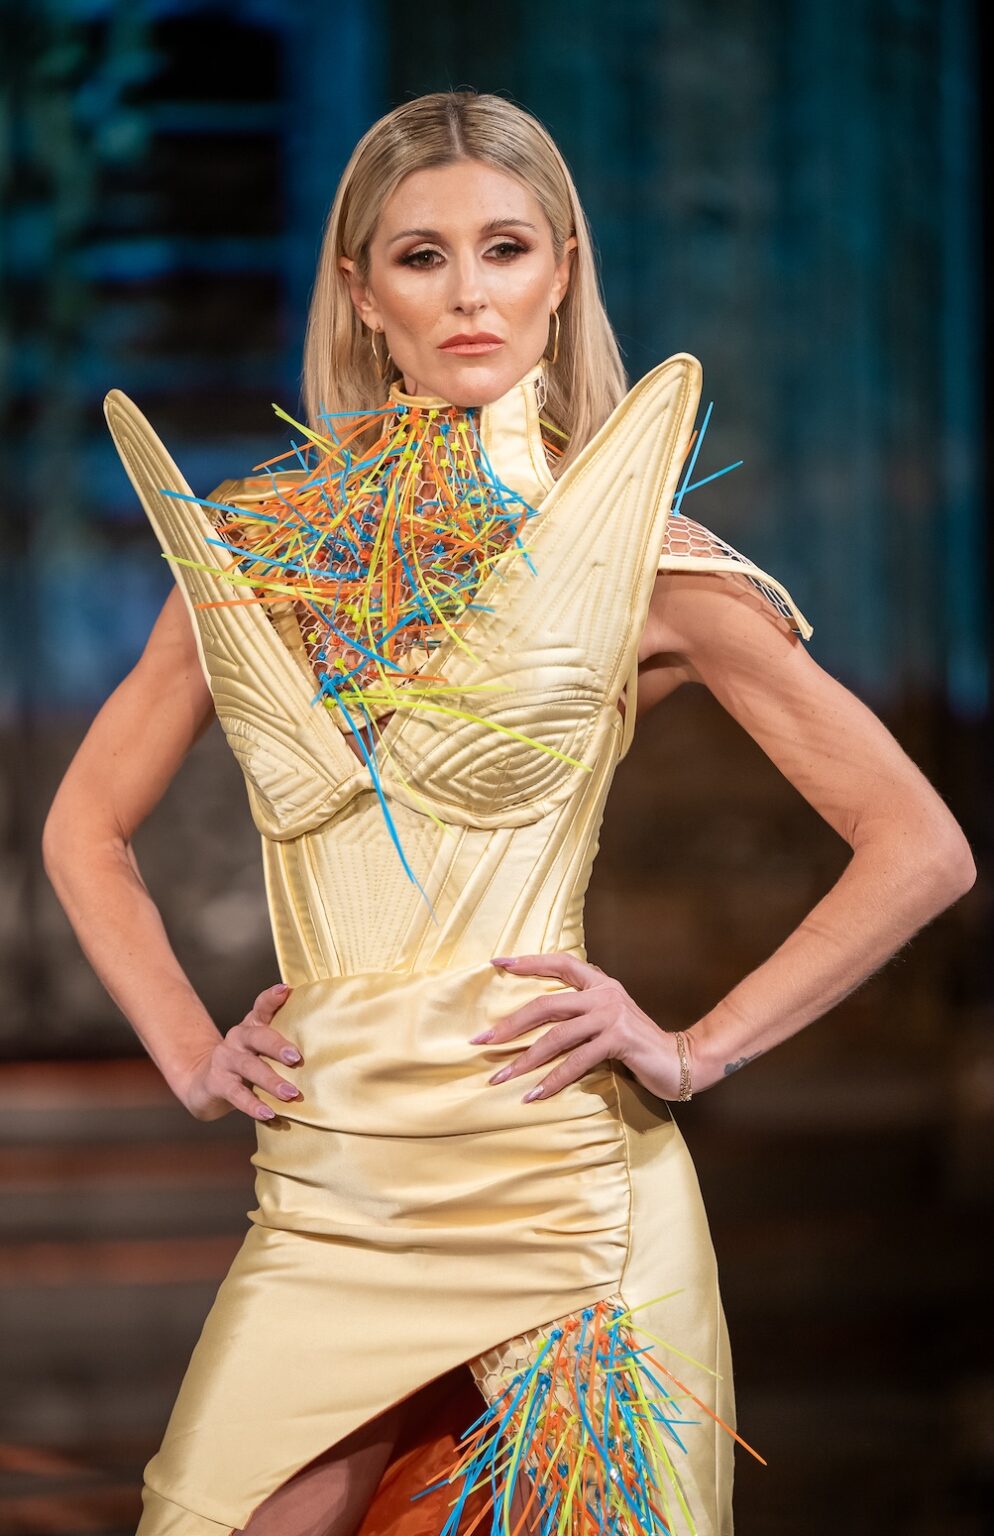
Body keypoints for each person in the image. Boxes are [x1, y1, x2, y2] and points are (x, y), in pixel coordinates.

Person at [42, 89, 975, 1536]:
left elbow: (920, 846)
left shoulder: (641, 557)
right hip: (331, 1188)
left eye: (505, 248)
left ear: (560, 272)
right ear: (362, 292)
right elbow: (84, 827)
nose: (469, 292)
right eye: (422, 256)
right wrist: (188, 1051)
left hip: (558, 1195)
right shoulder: (256, 552)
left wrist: (692, 1049)